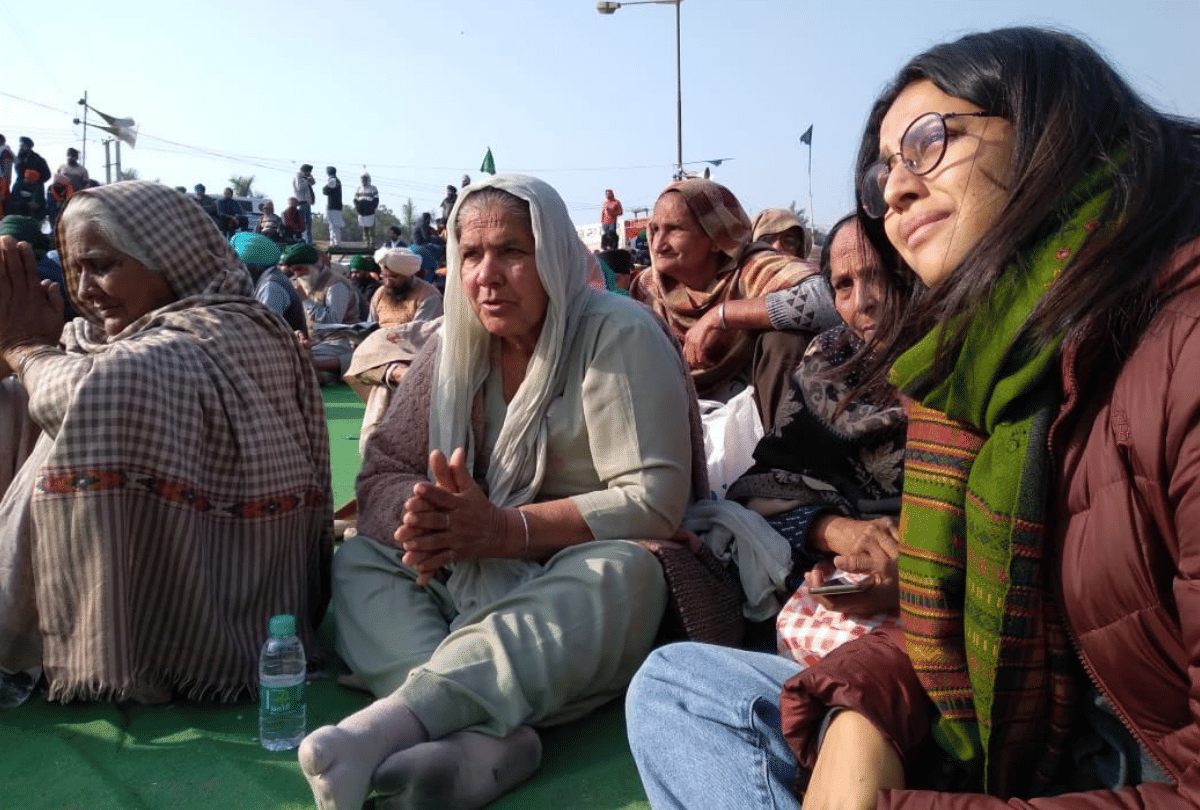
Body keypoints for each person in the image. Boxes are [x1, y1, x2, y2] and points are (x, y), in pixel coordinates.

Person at [627, 26, 1200, 809]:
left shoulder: (1174, 356)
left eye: (929, 143)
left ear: (1052, 135)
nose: (894, 189)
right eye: (884, 169)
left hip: (1110, 761)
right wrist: (863, 709)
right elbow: (781, 485)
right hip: (1003, 718)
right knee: (677, 686)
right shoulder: (967, 366)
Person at [298, 174, 698, 810]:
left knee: (625, 573)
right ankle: (486, 744)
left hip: (575, 564)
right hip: (468, 562)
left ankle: (391, 727)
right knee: (361, 560)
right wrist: (435, 520)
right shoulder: (449, 347)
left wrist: (504, 532)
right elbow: (383, 474)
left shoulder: (615, 332)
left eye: (513, 251)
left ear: (557, 256)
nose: (487, 274)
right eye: (471, 254)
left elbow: (653, 500)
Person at [0, 180, 333, 704]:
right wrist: (17, 355)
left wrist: (24, 347)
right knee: (12, 397)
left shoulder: (233, 326)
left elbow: (102, 387)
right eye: (76, 270)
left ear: (171, 261)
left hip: (229, 599)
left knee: (79, 400)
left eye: (102, 265)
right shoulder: (103, 339)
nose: (84, 289)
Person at [630, 178, 834, 403]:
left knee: (784, 341)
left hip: (753, 415)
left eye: (674, 229)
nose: (658, 244)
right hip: (674, 414)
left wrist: (723, 315)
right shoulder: (647, 288)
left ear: (718, 238)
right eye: (655, 229)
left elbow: (831, 298)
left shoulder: (752, 268)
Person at [283, 242, 361, 383]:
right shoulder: (305, 282)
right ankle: (325, 375)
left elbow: (332, 322)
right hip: (317, 343)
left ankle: (325, 372)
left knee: (297, 361)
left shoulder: (336, 285)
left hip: (340, 342)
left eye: (300, 269)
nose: (297, 274)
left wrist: (305, 300)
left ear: (314, 265)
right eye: (293, 271)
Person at [230, 230, 309, 336]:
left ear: (256, 267)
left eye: (241, 268)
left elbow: (264, 333)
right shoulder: (272, 276)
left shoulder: (270, 287)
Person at [355, 174, 380, 248]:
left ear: (368, 179)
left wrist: (371, 208)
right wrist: (358, 209)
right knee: (364, 229)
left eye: (365, 179)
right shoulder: (359, 188)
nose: (364, 180)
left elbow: (376, 200)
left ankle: (372, 245)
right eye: (363, 179)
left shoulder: (373, 188)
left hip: (370, 212)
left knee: (371, 229)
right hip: (362, 212)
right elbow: (355, 200)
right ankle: (366, 244)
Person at [294, 163, 317, 243]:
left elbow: (313, 182)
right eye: (309, 172)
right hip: (301, 203)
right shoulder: (298, 176)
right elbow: (300, 187)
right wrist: (306, 180)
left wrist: (309, 178)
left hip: (307, 204)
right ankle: (304, 242)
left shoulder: (305, 178)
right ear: (305, 171)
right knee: (303, 225)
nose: (310, 173)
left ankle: (309, 243)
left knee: (308, 225)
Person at [324, 167, 344, 247]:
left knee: (334, 226)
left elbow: (325, 190)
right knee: (334, 225)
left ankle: (335, 243)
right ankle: (335, 242)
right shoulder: (337, 180)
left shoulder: (333, 180)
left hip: (333, 206)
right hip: (336, 206)